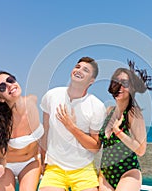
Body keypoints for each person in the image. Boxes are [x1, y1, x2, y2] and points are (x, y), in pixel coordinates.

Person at [38, 57, 106, 191]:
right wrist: (42, 160)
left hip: (83, 170)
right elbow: (45, 131)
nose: (79, 70)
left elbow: (95, 147)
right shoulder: (51, 96)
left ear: (91, 81)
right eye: (77, 66)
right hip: (54, 169)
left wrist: (71, 127)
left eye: (85, 70)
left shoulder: (97, 106)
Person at [98, 60, 152, 191]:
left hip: (128, 172)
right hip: (106, 174)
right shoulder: (109, 111)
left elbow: (141, 150)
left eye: (124, 83)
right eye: (116, 82)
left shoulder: (133, 113)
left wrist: (118, 131)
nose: (119, 87)